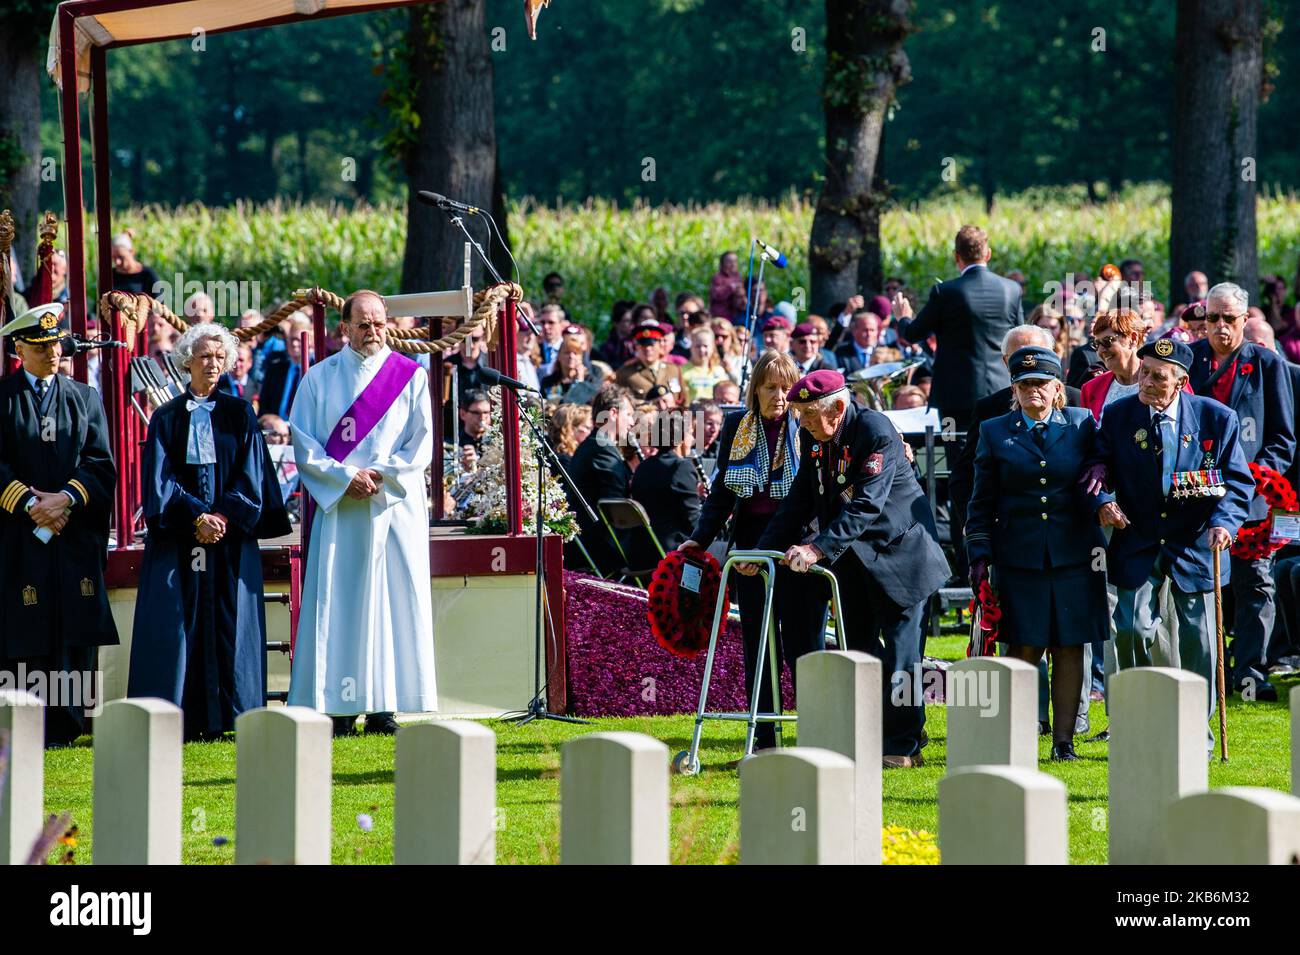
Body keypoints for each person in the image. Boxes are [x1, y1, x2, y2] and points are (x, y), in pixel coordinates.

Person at [754, 370, 951, 766]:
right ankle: (890, 725)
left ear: (838, 408)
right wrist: (762, 551)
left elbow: (866, 506)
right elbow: (799, 500)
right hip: (854, 563)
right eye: (801, 416)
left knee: (902, 655)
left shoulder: (874, 430)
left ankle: (902, 745)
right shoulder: (815, 434)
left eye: (809, 415)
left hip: (901, 558)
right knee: (859, 650)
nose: (803, 423)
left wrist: (816, 549)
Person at [128, 324, 290, 740]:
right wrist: (196, 516)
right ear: (187, 361)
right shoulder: (165, 419)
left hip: (229, 540)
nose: (213, 364)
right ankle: (179, 714)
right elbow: (160, 481)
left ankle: (233, 713)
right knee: (179, 627)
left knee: (229, 623)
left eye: (219, 357)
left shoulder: (240, 415)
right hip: (182, 542)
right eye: (204, 357)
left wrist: (222, 517)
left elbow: (251, 478)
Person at [287, 290, 437, 736]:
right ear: (344, 328)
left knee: (392, 602)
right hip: (343, 510)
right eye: (364, 323)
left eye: (379, 323)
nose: (373, 331)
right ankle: (338, 704)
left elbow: (420, 443)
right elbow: (304, 442)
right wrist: (342, 477)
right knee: (342, 601)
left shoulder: (411, 377)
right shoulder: (319, 379)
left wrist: (379, 476)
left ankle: (385, 706)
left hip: (392, 506)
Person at [1086, 339, 1253, 730]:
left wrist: (1224, 524)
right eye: (1143, 371)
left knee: (1199, 640)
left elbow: (1239, 483)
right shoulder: (1118, 415)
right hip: (1138, 536)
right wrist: (1104, 500)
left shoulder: (1217, 419)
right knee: (1130, 628)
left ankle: (1197, 730)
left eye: (1157, 377)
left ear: (1180, 382)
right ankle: (1138, 719)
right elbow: (1098, 463)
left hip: (1195, 541)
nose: (1144, 381)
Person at [965, 347, 1109, 760]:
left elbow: (1101, 465)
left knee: (1069, 645)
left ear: (1057, 388)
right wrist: (979, 552)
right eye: (1025, 385)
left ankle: (1064, 741)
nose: (1034, 392)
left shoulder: (1082, 424)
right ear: (1014, 389)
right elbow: (981, 500)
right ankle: (1020, 735)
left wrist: (1104, 483)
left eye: (1041, 385)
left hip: (1075, 554)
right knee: (1024, 646)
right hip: (1019, 555)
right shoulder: (995, 431)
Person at [0, 303, 117, 747]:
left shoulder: (84, 398)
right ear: (19, 349)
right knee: (24, 622)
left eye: (56, 345)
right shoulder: (3, 398)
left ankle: (68, 720)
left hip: (71, 534)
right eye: (42, 346)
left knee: (73, 623)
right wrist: (30, 503)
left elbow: (100, 464)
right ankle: (23, 720)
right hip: (19, 535)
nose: (53, 353)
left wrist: (65, 499)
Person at [680, 351, 804, 752]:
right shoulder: (737, 425)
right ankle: (764, 738)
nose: (780, 396)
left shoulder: (805, 424)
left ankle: (818, 733)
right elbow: (721, 493)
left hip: (796, 544)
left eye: (787, 388)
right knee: (758, 641)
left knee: (803, 641)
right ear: (755, 390)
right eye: (771, 388)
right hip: (749, 545)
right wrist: (700, 537)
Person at [1187, 282, 1296, 700]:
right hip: (1194, 491)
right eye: (1211, 317)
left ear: (1244, 320)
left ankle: (1250, 672)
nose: (1219, 326)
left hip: (1251, 496)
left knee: (1254, 584)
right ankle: (1205, 670)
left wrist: (1256, 477)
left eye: (1228, 318)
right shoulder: (1190, 362)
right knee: (1202, 586)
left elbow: (1283, 438)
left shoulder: (1267, 364)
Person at [892, 226, 1022, 433]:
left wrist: (903, 317)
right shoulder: (1011, 289)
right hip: (1001, 390)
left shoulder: (944, 292)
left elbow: (913, 333)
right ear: (988, 254)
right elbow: (1020, 338)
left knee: (957, 454)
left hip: (955, 396)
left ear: (956, 256)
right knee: (998, 453)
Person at [566, 384, 636, 574]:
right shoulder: (602, 449)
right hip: (601, 546)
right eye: (629, 415)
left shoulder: (594, 445)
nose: (632, 422)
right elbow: (617, 504)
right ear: (613, 413)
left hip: (591, 540)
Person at [630, 408, 702, 566]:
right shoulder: (681, 467)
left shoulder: (643, 467)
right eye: (690, 433)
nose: (693, 440)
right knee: (728, 552)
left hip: (641, 553)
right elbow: (694, 524)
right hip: (672, 554)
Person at [615, 319, 685, 402]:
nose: (647, 349)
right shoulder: (625, 374)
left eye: (651, 344)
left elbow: (683, 401)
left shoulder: (674, 370)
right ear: (637, 347)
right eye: (643, 345)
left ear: (660, 345)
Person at [259, 313, 313, 419]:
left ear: (310, 342)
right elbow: (264, 404)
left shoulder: (317, 369)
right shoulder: (275, 369)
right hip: (276, 430)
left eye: (299, 340)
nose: (294, 344)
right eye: (292, 339)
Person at [681, 326, 731, 404]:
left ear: (712, 347)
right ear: (691, 347)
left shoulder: (719, 371)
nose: (702, 350)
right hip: (693, 414)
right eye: (697, 346)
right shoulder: (682, 371)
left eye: (705, 346)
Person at [110, 231, 160, 297]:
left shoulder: (148, 275)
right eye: (114, 257)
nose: (117, 262)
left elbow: (159, 303)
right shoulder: (110, 276)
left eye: (121, 257)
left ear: (132, 252)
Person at [547, 403, 593, 472]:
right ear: (570, 429)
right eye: (587, 427)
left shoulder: (552, 448)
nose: (590, 432)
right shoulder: (565, 461)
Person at [833, 310, 881, 374]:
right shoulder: (840, 353)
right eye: (865, 330)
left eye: (872, 330)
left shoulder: (883, 352)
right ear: (854, 331)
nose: (869, 334)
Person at [710, 251, 745, 321]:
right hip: (721, 316)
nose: (733, 264)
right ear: (722, 264)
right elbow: (717, 295)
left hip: (736, 315)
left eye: (735, 261)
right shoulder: (718, 278)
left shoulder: (738, 277)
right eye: (729, 261)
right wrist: (731, 287)